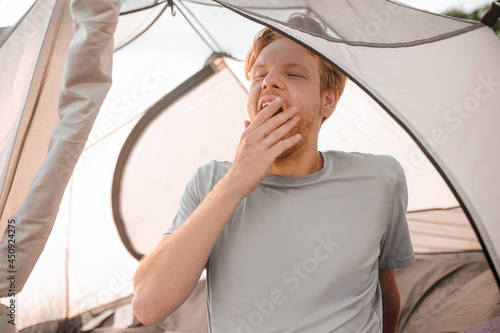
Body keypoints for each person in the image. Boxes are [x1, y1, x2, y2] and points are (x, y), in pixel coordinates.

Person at [132, 14, 415, 333]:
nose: (269, 82)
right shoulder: (211, 182)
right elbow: (147, 306)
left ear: (327, 101)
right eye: (260, 75)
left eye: (293, 74)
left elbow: (387, 295)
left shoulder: (381, 179)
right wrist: (234, 184)